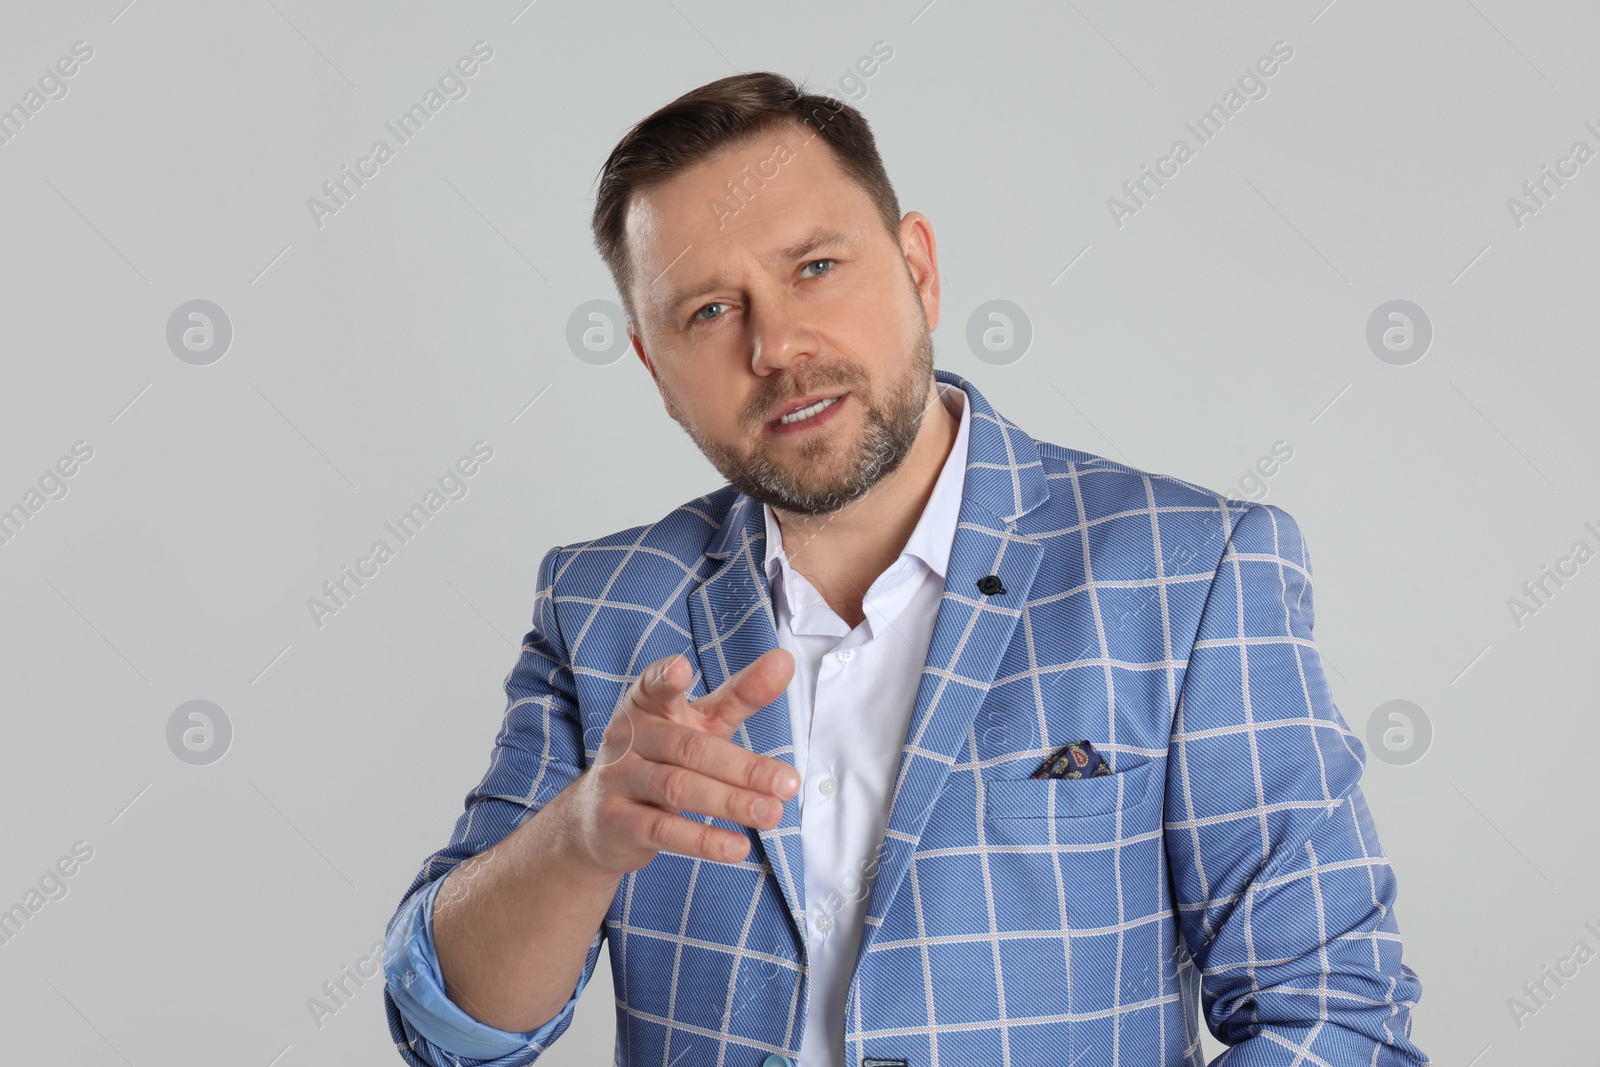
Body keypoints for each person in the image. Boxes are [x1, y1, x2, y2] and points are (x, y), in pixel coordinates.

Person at [382, 71, 1428, 1067]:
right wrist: (581, 835)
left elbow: (1332, 1012)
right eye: (708, 310)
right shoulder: (602, 604)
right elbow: (450, 1027)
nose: (778, 345)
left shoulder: (1189, 572)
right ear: (656, 368)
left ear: (917, 268)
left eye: (814, 268)